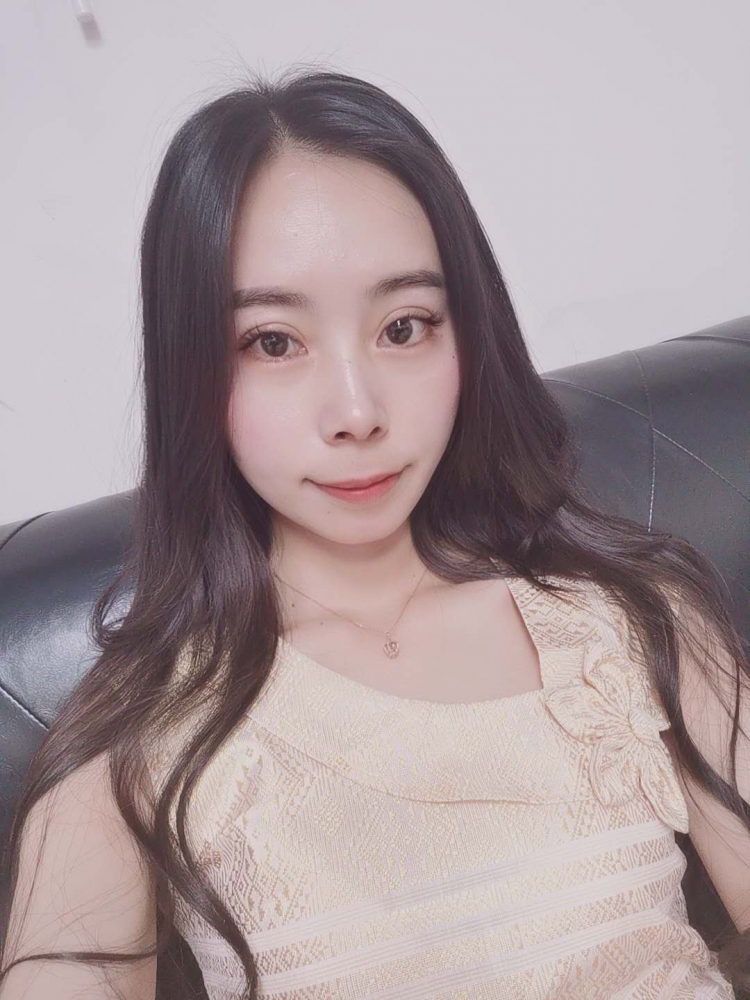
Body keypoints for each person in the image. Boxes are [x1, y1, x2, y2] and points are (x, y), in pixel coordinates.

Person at [1, 65, 748, 1000]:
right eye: (273, 342)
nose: (357, 412)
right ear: (192, 365)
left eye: (404, 327)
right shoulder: (133, 741)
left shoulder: (638, 618)